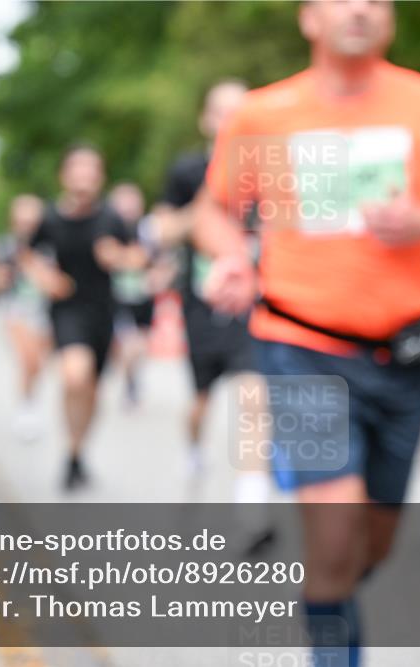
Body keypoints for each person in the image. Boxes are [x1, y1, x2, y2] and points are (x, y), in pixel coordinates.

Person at [194, 2, 420, 664]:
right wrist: (231, 257)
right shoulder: (264, 113)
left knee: (373, 545)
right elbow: (215, 211)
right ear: (309, 17)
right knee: (335, 532)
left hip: (403, 356)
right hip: (300, 346)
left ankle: (327, 600)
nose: (360, 8)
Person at [22, 144, 149, 490]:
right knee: (74, 376)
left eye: (91, 170)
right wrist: (45, 278)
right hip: (67, 308)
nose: (84, 176)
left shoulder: (111, 217)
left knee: (92, 389)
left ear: (100, 177)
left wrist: (118, 257)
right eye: (78, 169)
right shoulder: (50, 217)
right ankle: (71, 449)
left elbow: (139, 257)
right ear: (65, 175)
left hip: (103, 311)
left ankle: (76, 454)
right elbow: (28, 255)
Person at [155, 79, 260, 477]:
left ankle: (252, 496)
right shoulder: (187, 171)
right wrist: (208, 200)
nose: (231, 121)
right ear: (206, 120)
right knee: (202, 396)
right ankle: (194, 446)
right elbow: (162, 230)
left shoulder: (267, 170)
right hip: (202, 301)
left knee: (254, 393)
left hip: (254, 303)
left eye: (240, 112)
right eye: (223, 113)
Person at [0, 194, 51, 442]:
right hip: (15, 307)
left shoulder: (50, 244)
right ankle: (26, 407)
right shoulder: (5, 245)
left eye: (32, 221)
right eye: (22, 221)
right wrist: (1, 278)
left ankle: (30, 399)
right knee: (28, 359)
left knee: (38, 364)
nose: (27, 226)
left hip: (45, 309)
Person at [108, 182, 155, 408]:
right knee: (129, 345)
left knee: (141, 346)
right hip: (118, 298)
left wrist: (157, 277)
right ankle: (130, 384)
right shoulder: (107, 231)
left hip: (144, 297)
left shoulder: (148, 231)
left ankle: (133, 379)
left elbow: (163, 260)